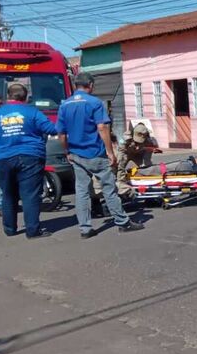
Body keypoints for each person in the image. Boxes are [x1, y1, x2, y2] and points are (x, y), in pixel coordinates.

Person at [58, 72, 144, 239]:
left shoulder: (65, 105)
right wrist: (110, 152)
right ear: (90, 85)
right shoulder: (95, 103)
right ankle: (122, 222)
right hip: (95, 153)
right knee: (109, 189)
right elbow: (102, 128)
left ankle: (85, 228)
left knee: (82, 191)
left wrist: (66, 151)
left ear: (76, 85)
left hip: (76, 154)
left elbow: (61, 133)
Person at [0, 83, 56, 239]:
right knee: (30, 195)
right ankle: (32, 231)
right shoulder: (32, 111)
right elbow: (51, 129)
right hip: (31, 156)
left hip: (2, 158)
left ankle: (10, 229)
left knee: (8, 194)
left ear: (8, 96)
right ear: (26, 96)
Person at [115, 123, 157, 197]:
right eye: (136, 142)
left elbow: (148, 154)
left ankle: (144, 186)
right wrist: (120, 163)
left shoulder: (148, 140)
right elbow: (121, 152)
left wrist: (147, 164)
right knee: (120, 167)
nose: (137, 145)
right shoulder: (126, 137)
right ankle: (121, 187)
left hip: (139, 154)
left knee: (144, 169)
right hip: (126, 152)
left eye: (140, 142)